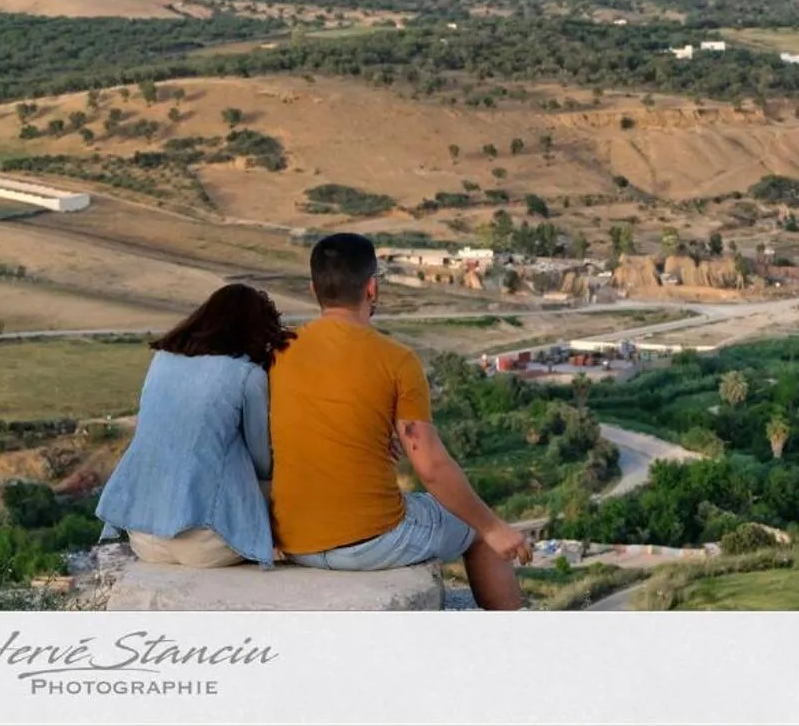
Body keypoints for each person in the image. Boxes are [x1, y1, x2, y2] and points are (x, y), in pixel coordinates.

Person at [267, 232, 530, 609]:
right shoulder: (396, 360)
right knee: (476, 530)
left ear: (313, 289)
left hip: (292, 541)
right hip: (368, 543)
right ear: (372, 288)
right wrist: (494, 528)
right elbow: (431, 466)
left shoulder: (279, 349)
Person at [95, 283, 291, 568]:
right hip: (211, 543)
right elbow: (262, 464)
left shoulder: (161, 360)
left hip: (145, 537)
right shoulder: (248, 374)